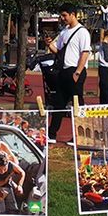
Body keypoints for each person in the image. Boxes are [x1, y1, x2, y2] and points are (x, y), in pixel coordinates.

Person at [45, 7, 91, 140]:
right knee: (58, 103)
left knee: (77, 103)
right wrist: (49, 45)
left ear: (73, 14)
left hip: (75, 70)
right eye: (61, 15)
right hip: (63, 70)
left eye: (65, 15)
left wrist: (77, 72)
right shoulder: (64, 31)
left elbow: (85, 53)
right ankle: (51, 134)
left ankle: (79, 136)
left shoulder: (82, 32)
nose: (62, 18)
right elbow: (59, 51)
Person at [94, 29, 108, 104]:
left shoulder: (105, 45)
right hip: (105, 68)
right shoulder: (105, 45)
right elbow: (107, 58)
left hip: (104, 68)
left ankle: (105, 103)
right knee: (106, 89)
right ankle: (105, 103)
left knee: (106, 88)